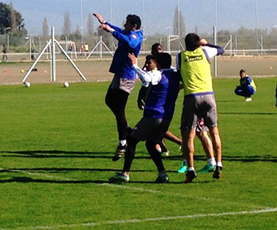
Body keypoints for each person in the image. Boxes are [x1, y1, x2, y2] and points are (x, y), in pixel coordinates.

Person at [110, 52, 179, 183]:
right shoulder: (175, 74)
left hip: (153, 115)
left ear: (158, 63)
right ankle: (162, 174)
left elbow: (147, 79)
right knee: (151, 144)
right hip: (167, 117)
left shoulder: (160, 74)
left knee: (131, 140)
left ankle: (125, 173)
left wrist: (135, 66)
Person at [92, 12, 144, 161]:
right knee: (109, 100)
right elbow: (117, 30)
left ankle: (123, 142)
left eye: (127, 23)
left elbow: (130, 43)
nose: (124, 25)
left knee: (120, 110)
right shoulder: (127, 33)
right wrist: (105, 22)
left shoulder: (136, 36)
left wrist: (112, 31)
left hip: (126, 77)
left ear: (134, 26)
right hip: (119, 75)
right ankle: (127, 129)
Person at [177, 33, 224, 182]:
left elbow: (180, 75)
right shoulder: (205, 51)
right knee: (214, 131)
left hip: (192, 96)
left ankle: (190, 168)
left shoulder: (181, 56)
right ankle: (218, 164)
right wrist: (206, 43)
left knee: (189, 135)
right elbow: (220, 49)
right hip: (209, 96)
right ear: (199, 43)